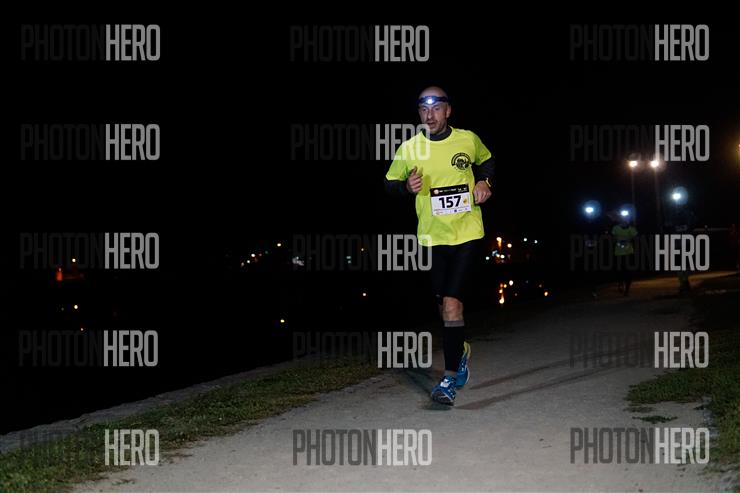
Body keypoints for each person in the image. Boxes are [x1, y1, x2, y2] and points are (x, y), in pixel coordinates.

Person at [384, 86, 494, 405]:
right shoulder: (410, 148)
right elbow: (389, 183)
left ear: (448, 110)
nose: (429, 114)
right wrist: (406, 187)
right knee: (443, 306)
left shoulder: (467, 140)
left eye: (435, 108)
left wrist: (485, 181)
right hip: (433, 237)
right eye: (423, 108)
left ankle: (447, 380)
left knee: (451, 305)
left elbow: (487, 161)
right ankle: (460, 351)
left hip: (466, 232)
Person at [610, 214, 638, 296]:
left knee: (629, 272)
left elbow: (636, 238)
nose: (625, 221)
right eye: (623, 219)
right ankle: (620, 283)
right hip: (618, 253)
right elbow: (613, 239)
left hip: (629, 253)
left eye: (626, 219)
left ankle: (627, 290)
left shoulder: (631, 229)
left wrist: (629, 240)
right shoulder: (615, 228)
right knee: (620, 271)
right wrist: (618, 241)